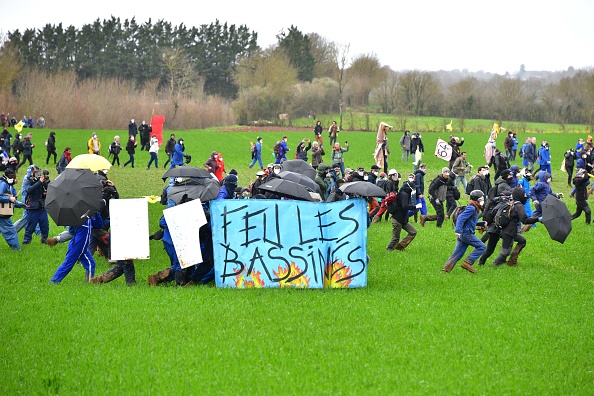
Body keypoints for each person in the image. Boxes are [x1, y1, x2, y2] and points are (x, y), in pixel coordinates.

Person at [490, 187, 540, 267]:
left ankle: (512, 261)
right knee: (506, 251)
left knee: (522, 240)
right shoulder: (519, 206)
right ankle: (495, 265)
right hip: (509, 232)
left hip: (506, 230)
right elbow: (524, 220)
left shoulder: (512, 203)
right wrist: (538, 219)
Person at [50, 213, 103, 284]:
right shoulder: (78, 218)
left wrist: (97, 213)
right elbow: (71, 231)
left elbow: (98, 225)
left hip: (83, 247)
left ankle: (90, 282)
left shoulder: (88, 218)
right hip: (77, 246)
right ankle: (54, 281)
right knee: (68, 264)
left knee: (91, 264)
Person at [442, 190, 487, 273]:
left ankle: (446, 269)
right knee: (482, 247)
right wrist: (457, 230)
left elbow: (470, 222)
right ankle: (468, 263)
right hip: (466, 233)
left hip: (463, 233)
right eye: (481, 199)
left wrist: (482, 223)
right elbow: (461, 218)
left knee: (457, 253)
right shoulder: (472, 208)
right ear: (476, 199)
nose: (483, 201)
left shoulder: (474, 207)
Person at [385, 176, 420, 251]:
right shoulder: (404, 195)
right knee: (395, 238)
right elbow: (405, 206)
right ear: (410, 188)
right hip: (397, 219)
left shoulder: (404, 193)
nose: (414, 190)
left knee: (413, 232)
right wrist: (415, 206)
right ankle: (388, 250)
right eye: (413, 188)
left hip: (403, 219)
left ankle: (400, 246)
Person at [0, 169, 26, 250]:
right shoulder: (3, 184)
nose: (12, 178)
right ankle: (16, 249)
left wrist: (19, 204)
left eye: (13, 176)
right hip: (2, 214)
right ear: (5, 176)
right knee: (11, 232)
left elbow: (13, 199)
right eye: (10, 176)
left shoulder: (9, 185)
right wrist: (9, 199)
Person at [23, 169, 50, 245]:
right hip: (32, 208)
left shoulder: (41, 181)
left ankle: (44, 240)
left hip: (42, 207)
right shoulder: (28, 181)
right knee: (31, 226)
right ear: (32, 173)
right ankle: (26, 241)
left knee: (45, 225)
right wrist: (39, 182)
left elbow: (50, 188)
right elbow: (29, 190)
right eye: (36, 172)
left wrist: (47, 181)